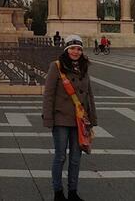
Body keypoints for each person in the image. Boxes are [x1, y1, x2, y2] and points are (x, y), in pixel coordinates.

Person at [42, 35, 96, 201]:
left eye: (79, 49)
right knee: (60, 156)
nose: (76, 52)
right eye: (72, 48)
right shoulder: (56, 66)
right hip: (61, 119)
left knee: (75, 158)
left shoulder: (84, 67)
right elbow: (49, 94)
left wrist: (92, 119)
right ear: (66, 49)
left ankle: (73, 193)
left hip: (79, 120)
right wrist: (48, 118)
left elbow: (89, 95)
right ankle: (58, 193)